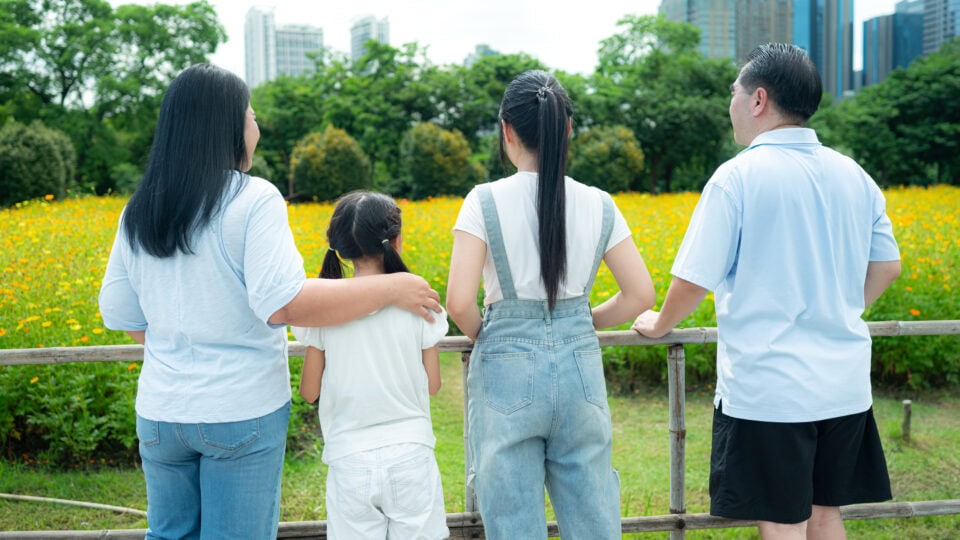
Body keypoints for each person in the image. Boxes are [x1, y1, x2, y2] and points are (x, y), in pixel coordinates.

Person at [98, 64, 440, 539]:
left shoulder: (139, 207)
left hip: (161, 413)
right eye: (251, 116)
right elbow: (283, 304)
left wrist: (181, 347)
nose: (257, 127)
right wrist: (392, 287)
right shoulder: (253, 198)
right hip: (239, 410)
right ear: (229, 129)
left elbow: (120, 313)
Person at [632, 43, 901, 539]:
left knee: (781, 521)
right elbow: (887, 264)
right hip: (843, 382)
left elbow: (694, 278)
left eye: (732, 92)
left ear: (758, 100)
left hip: (772, 387)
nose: (728, 102)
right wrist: (840, 308)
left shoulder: (737, 177)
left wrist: (659, 323)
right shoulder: (854, 175)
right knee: (826, 514)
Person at [446, 69, 656, 539]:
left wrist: (499, 337)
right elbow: (641, 295)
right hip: (580, 359)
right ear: (567, 129)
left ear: (507, 131)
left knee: (513, 518)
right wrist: (581, 322)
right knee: (593, 516)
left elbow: (458, 302)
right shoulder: (600, 203)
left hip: (505, 365)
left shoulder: (482, 201)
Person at [292, 190, 449, 540]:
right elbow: (433, 385)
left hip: (349, 459)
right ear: (395, 240)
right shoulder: (420, 305)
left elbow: (310, 391)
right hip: (411, 451)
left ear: (339, 247)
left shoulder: (323, 310)